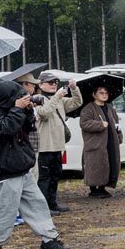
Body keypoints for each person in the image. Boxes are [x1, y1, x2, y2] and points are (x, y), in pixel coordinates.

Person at [0, 79, 70, 249]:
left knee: (37, 205)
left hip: (21, 167)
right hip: (6, 170)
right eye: (18, 97)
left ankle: (49, 240)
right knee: (5, 210)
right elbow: (5, 130)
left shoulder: (9, 110)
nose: (23, 99)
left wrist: (26, 111)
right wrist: (18, 109)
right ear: (7, 99)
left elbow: (28, 127)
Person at [33, 72, 82, 214]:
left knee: (55, 176)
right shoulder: (36, 99)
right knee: (43, 178)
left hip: (57, 145)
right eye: (50, 82)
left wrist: (74, 88)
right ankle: (43, 208)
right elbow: (45, 113)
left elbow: (77, 102)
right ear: (40, 85)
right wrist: (57, 97)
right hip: (44, 146)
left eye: (55, 82)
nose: (54, 85)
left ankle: (52, 203)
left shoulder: (59, 100)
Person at [80, 84, 120, 199]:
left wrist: (119, 136)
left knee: (108, 163)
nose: (104, 95)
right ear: (94, 94)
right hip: (95, 143)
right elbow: (84, 123)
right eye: (101, 93)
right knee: (95, 164)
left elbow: (117, 124)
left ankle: (103, 187)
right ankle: (94, 189)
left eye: (106, 93)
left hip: (110, 142)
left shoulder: (110, 109)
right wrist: (99, 124)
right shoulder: (88, 109)